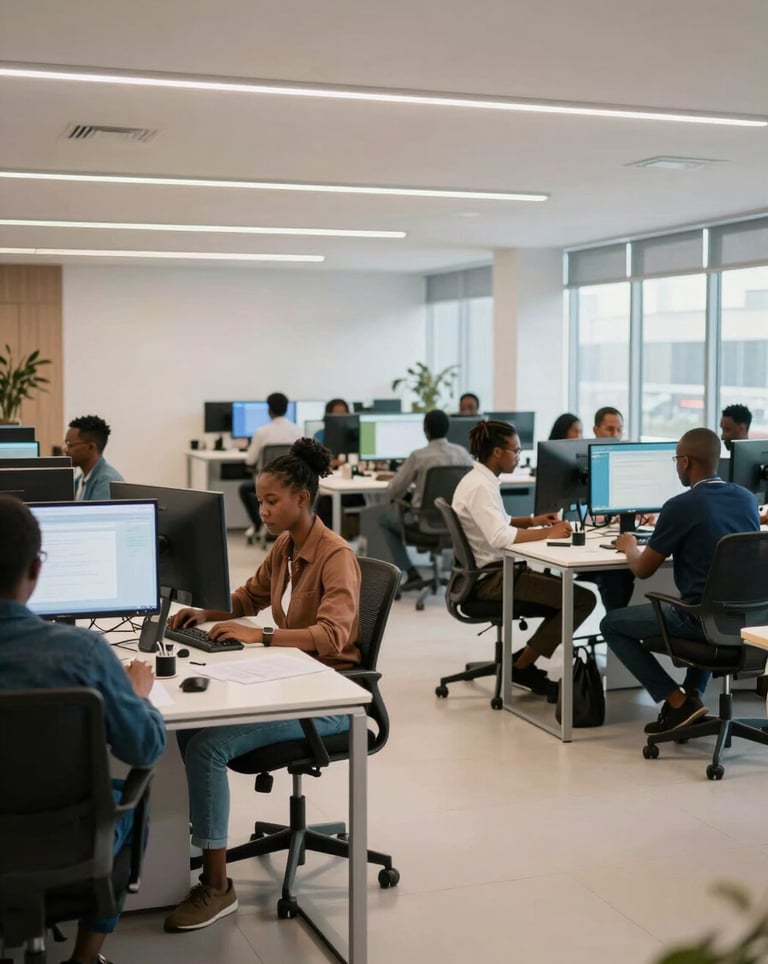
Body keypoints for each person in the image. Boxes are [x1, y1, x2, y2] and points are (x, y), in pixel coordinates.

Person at [164, 438, 360, 932]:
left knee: (208, 745)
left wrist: (263, 636)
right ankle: (199, 839)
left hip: (329, 698)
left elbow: (333, 636)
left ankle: (217, 886)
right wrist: (204, 612)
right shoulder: (286, 546)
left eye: (272, 501)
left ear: (302, 498)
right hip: (291, 681)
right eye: (259, 501)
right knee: (189, 727)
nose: (262, 510)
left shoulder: (335, 556)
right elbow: (249, 596)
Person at [0, 495, 166, 964]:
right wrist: (136, 695)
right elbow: (145, 748)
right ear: (36, 569)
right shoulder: (85, 653)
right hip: (67, 842)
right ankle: (85, 958)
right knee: (126, 796)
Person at [601, 427, 759, 735]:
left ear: (685, 462)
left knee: (611, 625)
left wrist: (629, 545)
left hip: (700, 621)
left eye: (676, 460)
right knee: (709, 604)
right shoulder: (747, 499)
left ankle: (677, 702)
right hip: (747, 619)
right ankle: (693, 697)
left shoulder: (681, 505)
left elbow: (643, 570)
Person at [452, 420, 596, 694]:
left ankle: (521, 661)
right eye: (515, 451)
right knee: (582, 600)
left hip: (491, 572)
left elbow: (500, 522)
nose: (519, 456)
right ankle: (521, 666)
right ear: (497, 452)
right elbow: (500, 537)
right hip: (492, 579)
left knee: (569, 597)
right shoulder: (481, 486)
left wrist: (532, 521)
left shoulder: (479, 480)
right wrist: (549, 533)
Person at [379, 409, 473, 591]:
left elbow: (394, 491)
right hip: (455, 524)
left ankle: (411, 573)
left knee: (384, 521)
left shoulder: (418, 456)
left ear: (425, 430)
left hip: (423, 523)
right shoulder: (463, 454)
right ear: (448, 429)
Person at [239, 392, 301, 540]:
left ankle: (258, 525)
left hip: (268, 483)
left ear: (269, 410)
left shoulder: (262, 432)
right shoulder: (298, 430)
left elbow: (250, 461)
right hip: (291, 483)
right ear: (287, 409)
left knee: (244, 488)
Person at [65, 414, 124, 500]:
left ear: (91, 447)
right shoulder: (80, 480)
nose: (66, 450)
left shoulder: (107, 482)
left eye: (70, 445)